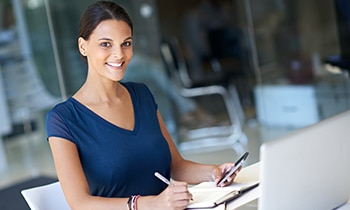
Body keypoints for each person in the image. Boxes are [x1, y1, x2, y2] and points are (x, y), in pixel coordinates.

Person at [46, 1, 240, 210]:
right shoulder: (63, 119)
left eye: (126, 43)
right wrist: (151, 204)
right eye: (106, 44)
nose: (119, 54)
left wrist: (214, 172)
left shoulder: (142, 95)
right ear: (83, 46)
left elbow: (176, 166)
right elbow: (81, 203)